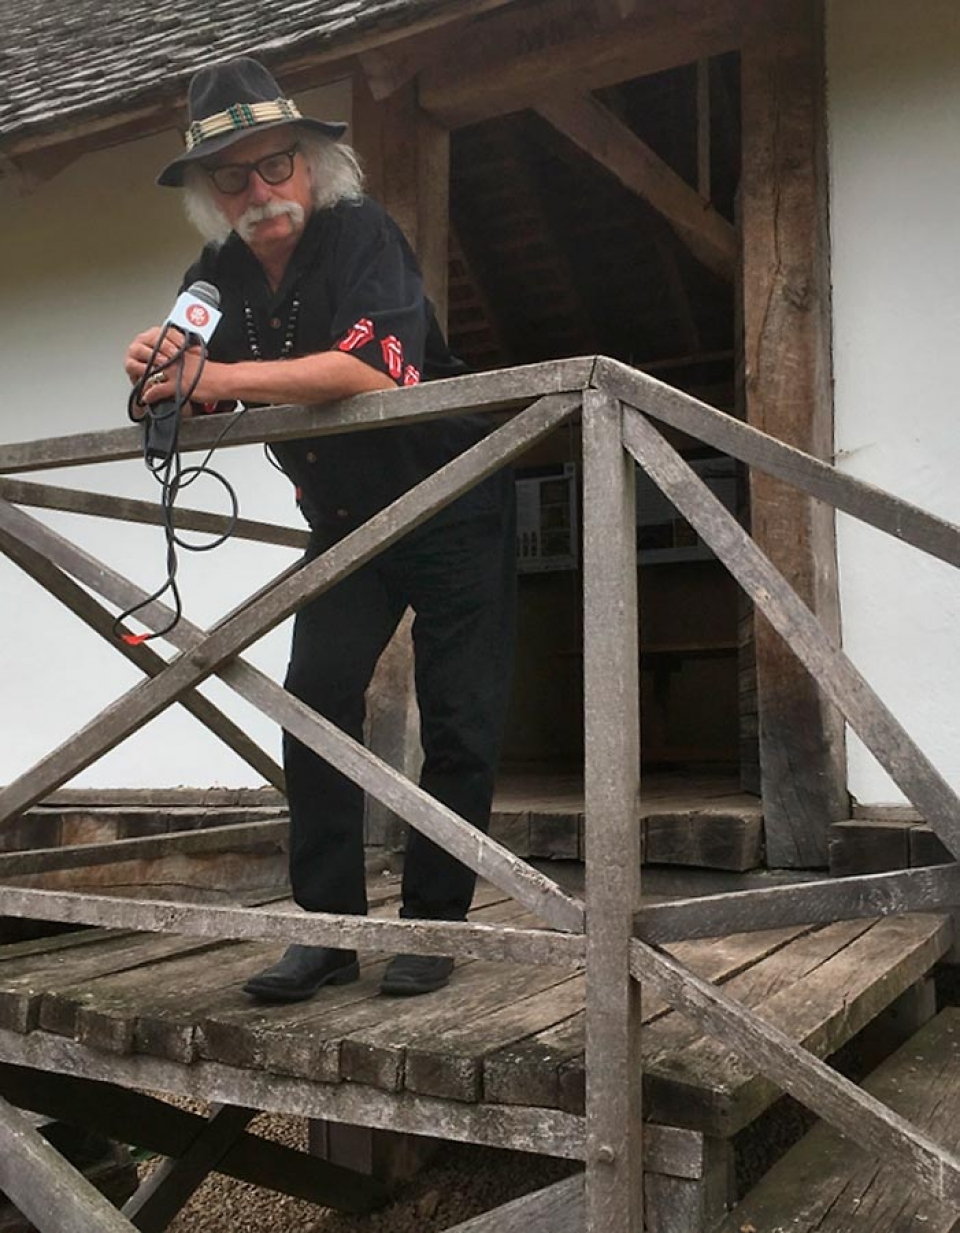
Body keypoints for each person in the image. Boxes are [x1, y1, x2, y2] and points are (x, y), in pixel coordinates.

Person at [125, 57, 516, 1000]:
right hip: (343, 522)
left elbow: (371, 370)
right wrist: (154, 375)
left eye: (276, 167)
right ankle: (329, 930)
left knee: (459, 718)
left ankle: (433, 921)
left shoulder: (364, 233)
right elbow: (185, 402)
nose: (260, 192)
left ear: (309, 164)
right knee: (313, 703)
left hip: (453, 499)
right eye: (233, 177)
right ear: (211, 196)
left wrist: (210, 379)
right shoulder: (210, 279)